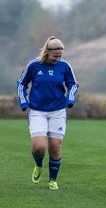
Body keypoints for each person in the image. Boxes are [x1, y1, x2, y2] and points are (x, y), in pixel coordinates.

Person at [17, 36, 79, 190]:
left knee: (55, 147)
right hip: (37, 111)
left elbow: (73, 84)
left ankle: (52, 180)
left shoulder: (65, 66)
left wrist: (69, 99)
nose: (58, 59)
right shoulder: (34, 65)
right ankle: (38, 165)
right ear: (46, 53)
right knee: (38, 147)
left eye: (60, 56)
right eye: (55, 56)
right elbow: (21, 84)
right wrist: (23, 101)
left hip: (58, 111)